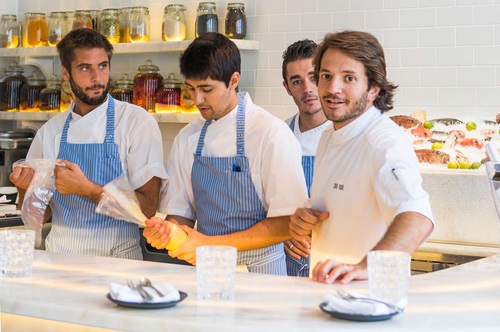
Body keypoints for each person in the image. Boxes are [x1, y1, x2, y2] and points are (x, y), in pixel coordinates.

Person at [143, 32, 308, 275]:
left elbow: (287, 223)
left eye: (206, 89)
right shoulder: (187, 138)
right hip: (207, 271)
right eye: (191, 88)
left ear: (233, 80)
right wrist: (167, 232)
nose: (197, 99)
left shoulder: (270, 133)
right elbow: (181, 214)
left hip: (261, 276)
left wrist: (209, 244)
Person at [289, 30, 434, 284]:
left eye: (349, 78)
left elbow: (418, 216)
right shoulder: (328, 136)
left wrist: (368, 266)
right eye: (325, 76)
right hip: (330, 294)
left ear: (373, 89)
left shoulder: (383, 142)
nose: (333, 88)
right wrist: (306, 220)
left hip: (370, 299)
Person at [9, 28, 168, 259]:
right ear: (66, 73)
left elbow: (147, 209)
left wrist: (87, 190)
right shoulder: (50, 132)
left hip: (120, 262)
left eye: (103, 66)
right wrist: (24, 189)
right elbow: (36, 217)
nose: (97, 78)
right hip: (60, 260)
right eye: (85, 68)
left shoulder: (136, 123)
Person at [281, 39, 331, 277]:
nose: (307, 89)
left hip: (337, 259)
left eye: (313, 77)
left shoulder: (347, 135)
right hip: (289, 263)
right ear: (287, 88)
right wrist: (280, 234)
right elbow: (261, 203)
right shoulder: (279, 136)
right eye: (297, 81)